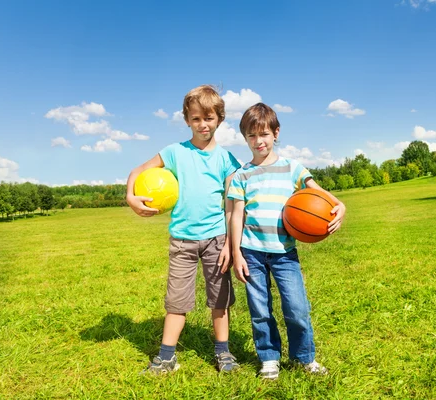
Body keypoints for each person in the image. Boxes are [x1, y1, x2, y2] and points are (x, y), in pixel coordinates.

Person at [126, 85, 242, 374]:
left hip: (217, 239)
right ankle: (166, 357)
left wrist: (230, 242)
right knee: (176, 301)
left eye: (209, 118)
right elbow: (137, 171)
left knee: (220, 300)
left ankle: (223, 353)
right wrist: (131, 196)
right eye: (196, 119)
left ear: (220, 119)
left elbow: (233, 204)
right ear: (187, 120)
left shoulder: (227, 160)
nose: (203, 124)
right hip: (182, 240)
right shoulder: (174, 152)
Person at [228, 103, 346, 380]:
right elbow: (236, 217)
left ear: (276, 133)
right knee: (259, 311)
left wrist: (341, 206)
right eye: (252, 136)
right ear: (245, 139)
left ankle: (304, 357)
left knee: (296, 309)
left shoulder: (293, 168)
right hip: (252, 252)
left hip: (284, 253)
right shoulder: (241, 175)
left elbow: (319, 194)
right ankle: (269, 359)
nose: (259, 141)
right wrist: (237, 254)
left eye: (264, 134)